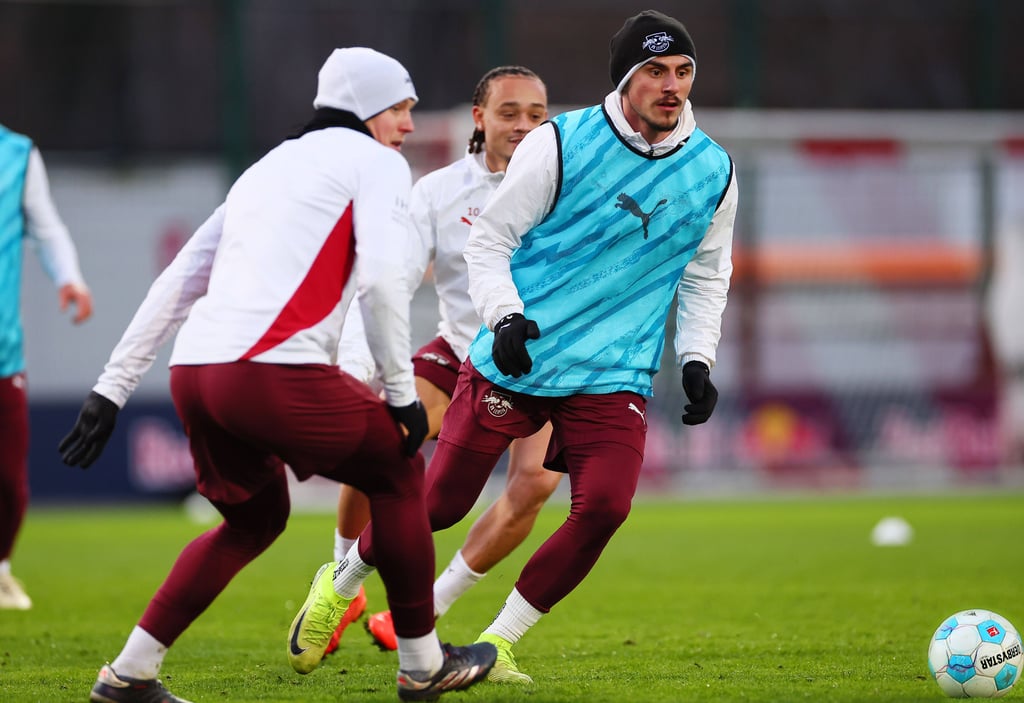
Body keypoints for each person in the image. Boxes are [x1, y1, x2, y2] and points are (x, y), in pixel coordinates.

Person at [313, 9, 738, 686]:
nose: (672, 85)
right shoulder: (562, 144)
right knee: (440, 501)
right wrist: (507, 317)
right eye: (655, 71)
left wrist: (697, 358)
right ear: (625, 79)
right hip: (513, 354)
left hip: (613, 372)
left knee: (601, 506)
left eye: (682, 71)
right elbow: (486, 243)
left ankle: (497, 641)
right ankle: (343, 579)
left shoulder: (713, 169)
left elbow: (709, 272)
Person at [56, 47, 495, 703]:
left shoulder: (265, 167)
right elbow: (380, 279)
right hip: (268, 370)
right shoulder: (376, 163)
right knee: (401, 470)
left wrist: (111, 388)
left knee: (254, 519)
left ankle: (130, 673)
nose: (408, 125)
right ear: (369, 108)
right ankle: (423, 663)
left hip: (196, 372)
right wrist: (401, 395)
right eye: (400, 108)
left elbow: (180, 280)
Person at [323, 65, 562, 656]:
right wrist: (361, 364)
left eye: (537, 114)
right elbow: (391, 281)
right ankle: (340, 581)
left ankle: (429, 605)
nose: (525, 125)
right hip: (460, 353)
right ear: (478, 118)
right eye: (510, 112)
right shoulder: (437, 191)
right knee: (378, 442)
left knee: (532, 485)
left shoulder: (568, 187)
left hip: (546, 365)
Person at [0, 123, 93, 610]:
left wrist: (70, 278)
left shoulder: (17, 156)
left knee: (9, 482)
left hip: (3, 353)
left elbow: (47, 227)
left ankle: (0, 570)